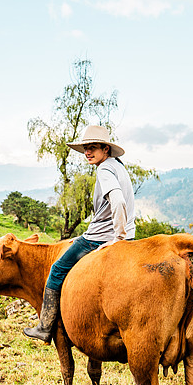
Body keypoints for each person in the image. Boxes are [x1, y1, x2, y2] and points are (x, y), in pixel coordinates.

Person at [24, 125, 135, 342]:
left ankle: (45, 327)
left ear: (105, 149)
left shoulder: (104, 170)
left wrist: (118, 239)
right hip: (128, 234)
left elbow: (118, 201)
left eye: (92, 147)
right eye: (85, 148)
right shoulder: (118, 166)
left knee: (57, 270)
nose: (87, 152)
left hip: (99, 238)